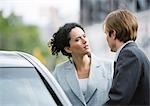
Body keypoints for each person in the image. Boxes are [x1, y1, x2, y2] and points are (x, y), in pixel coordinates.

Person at [48, 23, 113, 106]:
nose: (84, 41)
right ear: (68, 49)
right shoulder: (59, 72)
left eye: (84, 36)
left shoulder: (109, 67)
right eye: (78, 39)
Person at [103, 9, 150, 105]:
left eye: (106, 33)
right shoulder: (135, 52)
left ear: (113, 34)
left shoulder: (129, 55)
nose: (106, 38)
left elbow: (118, 99)